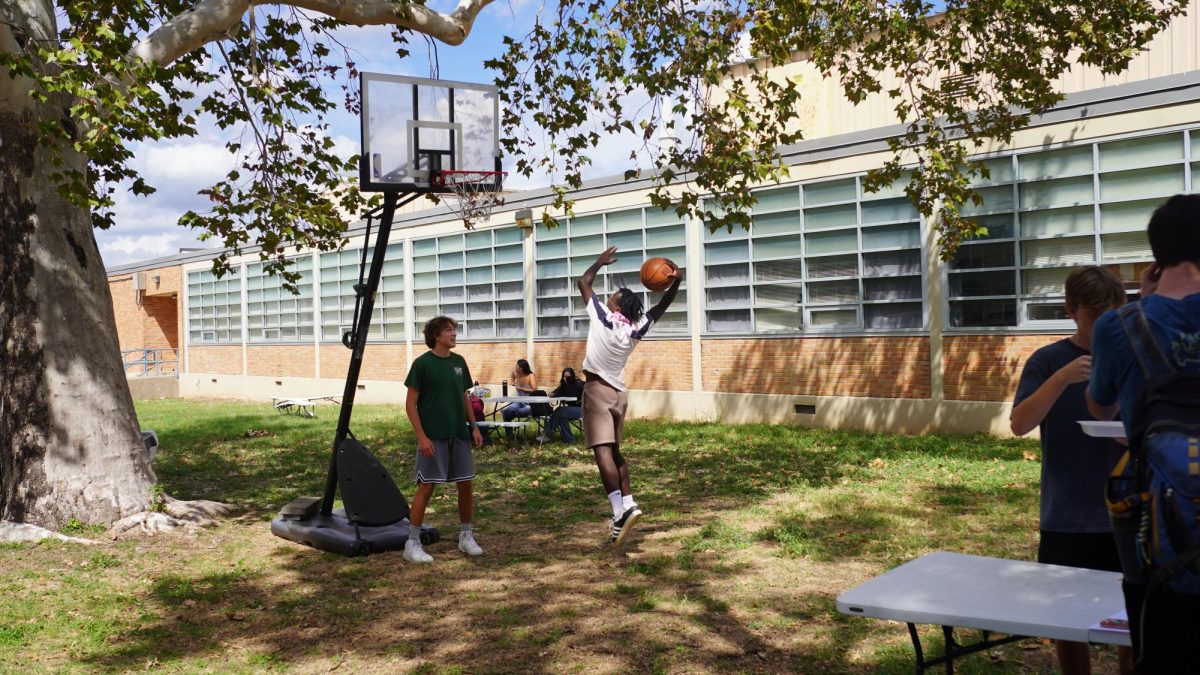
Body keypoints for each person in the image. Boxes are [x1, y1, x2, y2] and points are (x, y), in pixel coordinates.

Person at [1087, 193, 1200, 672]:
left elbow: (1101, 403)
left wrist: (1142, 306)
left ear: (1156, 257)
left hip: (1154, 534)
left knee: (1161, 651)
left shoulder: (1118, 326)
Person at [1010, 265, 1132, 675]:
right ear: (1071, 311)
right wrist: (1061, 379)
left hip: (1128, 510)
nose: (1103, 322)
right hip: (1066, 514)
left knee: (1129, 617)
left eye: (1112, 313)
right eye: (1094, 313)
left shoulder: (1133, 356)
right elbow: (1020, 424)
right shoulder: (1048, 361)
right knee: (1066, 619)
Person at [577, 246, 682, 545]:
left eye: (613, 296)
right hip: (620, 395)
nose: (608, 297)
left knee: (602, 454)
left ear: (618, 306)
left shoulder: (603, 318)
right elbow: (661, 307)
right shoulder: (636, 328)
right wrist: (677, 281)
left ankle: (617, 512)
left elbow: (583, 282)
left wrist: (599, 262)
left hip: (597, 391)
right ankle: (629, 502)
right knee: (616, 452)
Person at [402, 316, 485, 564]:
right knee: (426, 487)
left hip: (458, 434)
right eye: (449, 330)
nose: (454, 334)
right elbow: (410, 404)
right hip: (433, 437)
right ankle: (412, 543)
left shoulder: (459, 362)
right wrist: (422, 437)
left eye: (454, 330)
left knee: (466, 484)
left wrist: (474, 427)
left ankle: (466, 536)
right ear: (436, 335)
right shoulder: (422, 364)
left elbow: (464, 397)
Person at [536, 367, 585, 443]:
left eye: (568, 377)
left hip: (582, 409)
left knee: (559, 411)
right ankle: (569, 440)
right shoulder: (563, 386)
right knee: (562, 416)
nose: (566, 379)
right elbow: (556, 392)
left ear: (572, 376)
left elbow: (587, 393)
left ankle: (548, 433)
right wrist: (552, 394)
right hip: (571, 410)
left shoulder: (579, 384)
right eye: (564, 377)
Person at [501, 359, 537, 436]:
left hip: (528, 403)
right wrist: (513, 382)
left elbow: (534, 389)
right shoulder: (516, 374)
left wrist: (521, 389)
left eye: (516, 366)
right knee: (506, 413)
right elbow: (512, 375)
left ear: (521, 368)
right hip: (519, 402)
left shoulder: (530, 376)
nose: (515, 367)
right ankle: (509, 435)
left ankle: (514, 414)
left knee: (518, 412)